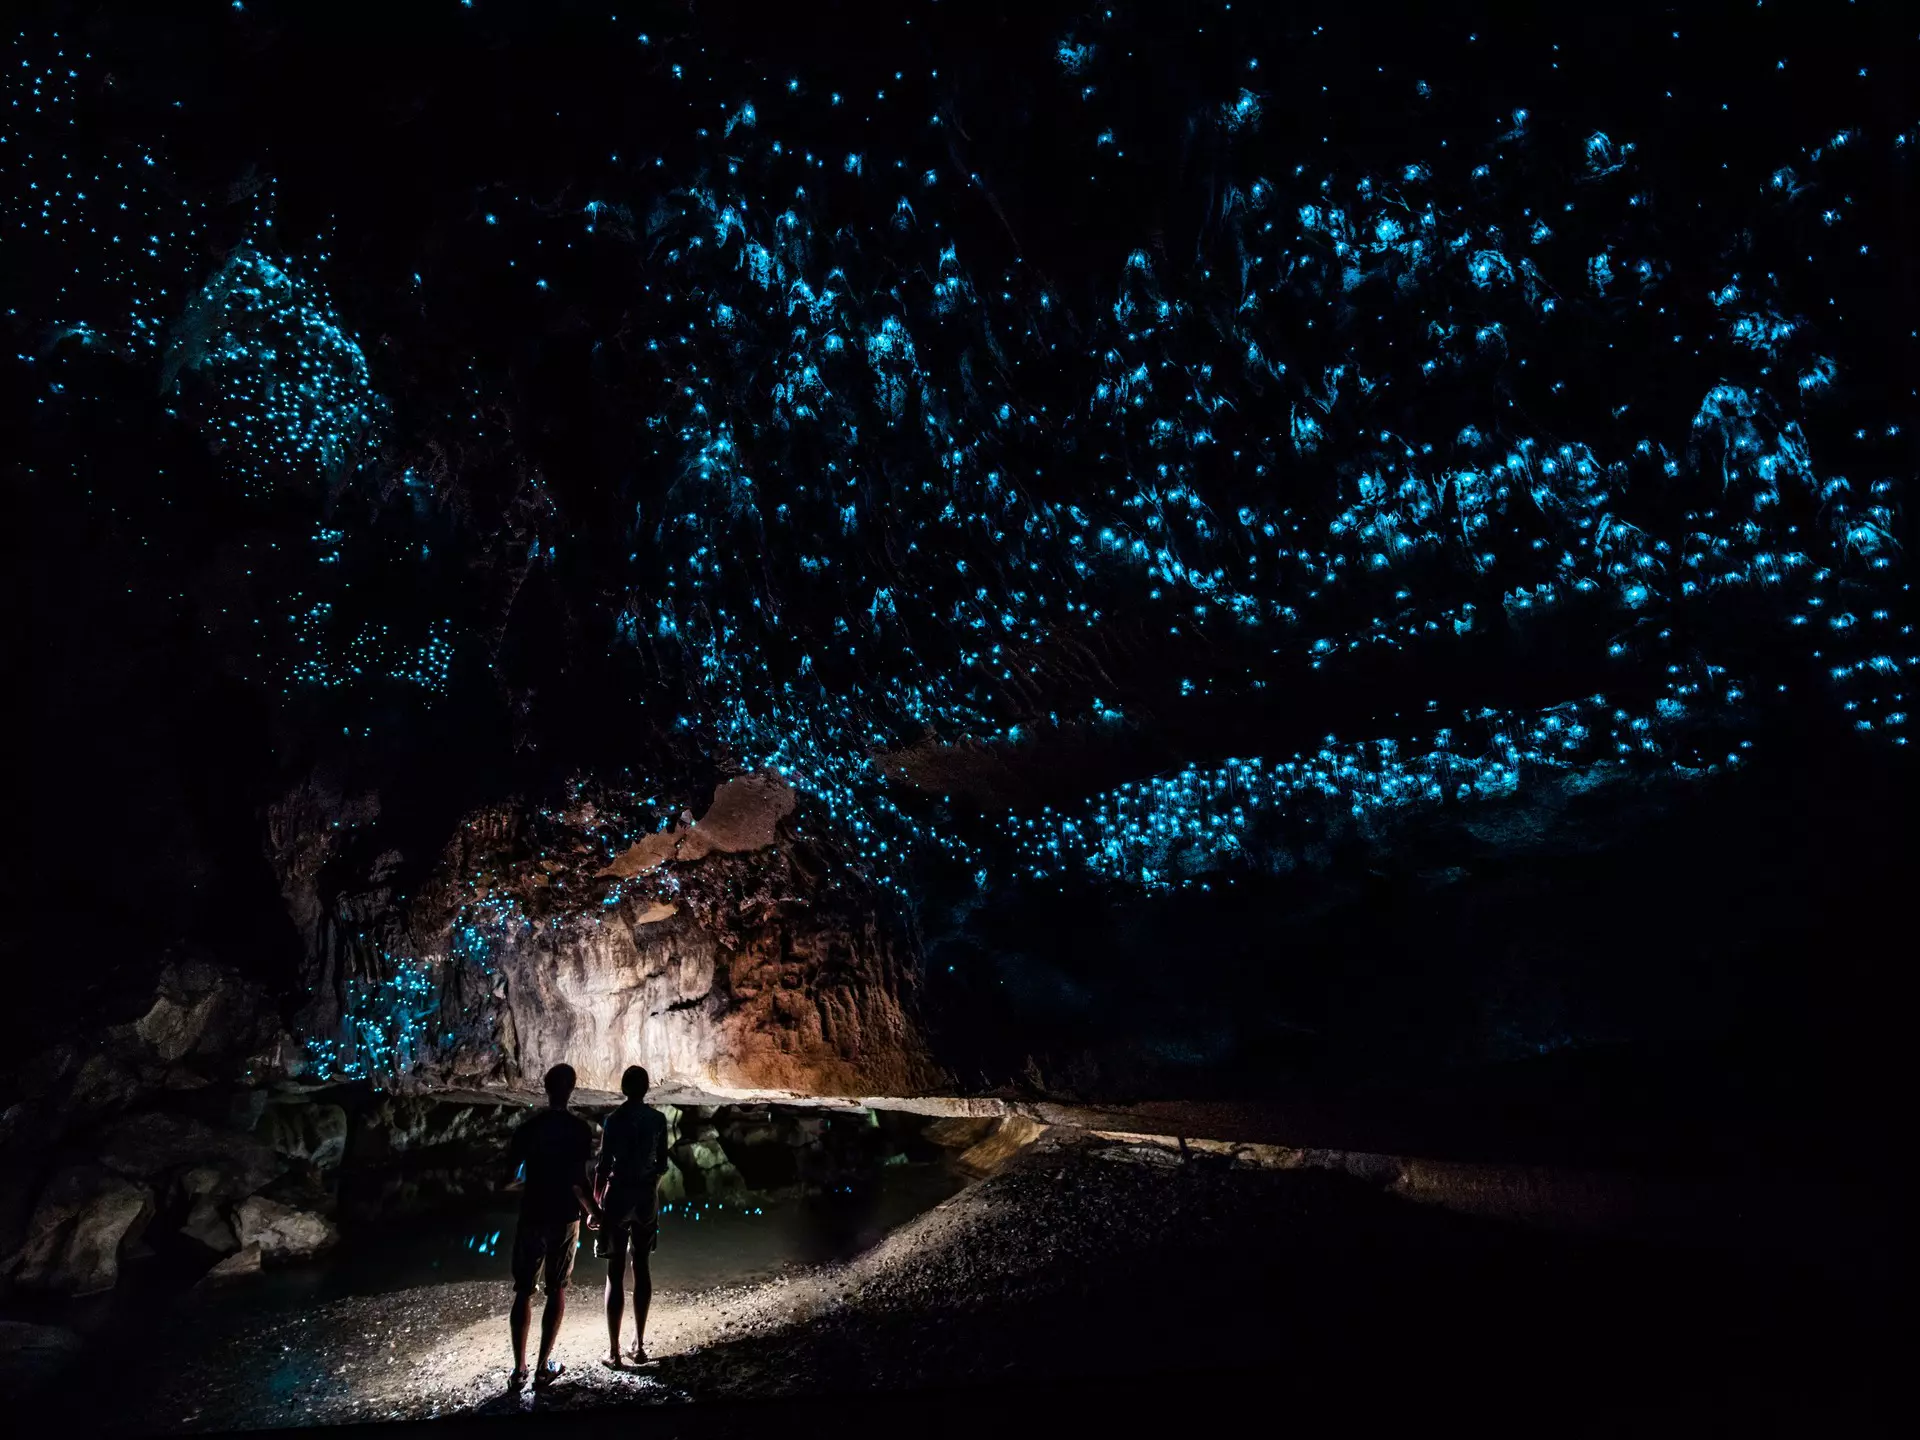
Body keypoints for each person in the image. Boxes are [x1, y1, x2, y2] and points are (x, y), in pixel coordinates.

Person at [502, 1062, 599, 1392]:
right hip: (564, 1216)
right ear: (571, 1089)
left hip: (532, 1213)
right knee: (556, 1287)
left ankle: (518, 1371)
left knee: (523, 1291)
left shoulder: (529, 1130)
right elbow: (578, 1181)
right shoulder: (579, 1130)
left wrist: (526, 1182)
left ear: (546, 1088)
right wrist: (594, 1210)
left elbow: (508, 1178)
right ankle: (543, 1368)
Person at [593, 1064, 672, 1367]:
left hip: (619, 1194)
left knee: (615, 1272)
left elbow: (603, 1165)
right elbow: (662, 1164)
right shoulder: (658, 1120)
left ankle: (613, 1351)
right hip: (645, 1196)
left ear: (624, 1089)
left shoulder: (614, 1120)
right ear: (646, 1088)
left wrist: (598, 1203)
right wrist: (650, 1189)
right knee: (642, 1264)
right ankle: (638, 1346)